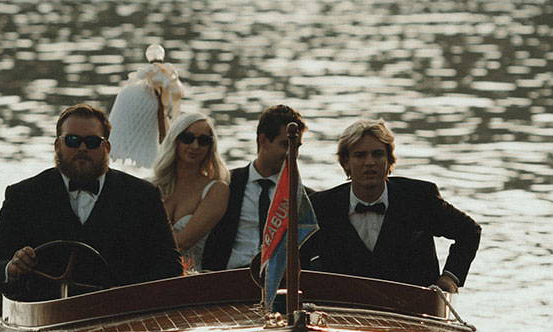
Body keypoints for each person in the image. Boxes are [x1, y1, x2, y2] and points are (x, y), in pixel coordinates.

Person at [0, 102, 182, 298]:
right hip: (42, 318)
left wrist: (130, 296)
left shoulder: (143, 196)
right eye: (72, 141)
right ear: (57, 145)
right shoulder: (23, 195)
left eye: (92, 142)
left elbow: (170, 266)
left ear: (107, 147)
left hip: (121, 315)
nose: (82, 148)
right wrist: (13, 267)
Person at [311, 118, 480, 291]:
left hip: (416, 310)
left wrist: (450, 277)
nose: (369, 162)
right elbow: (297, 255)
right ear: (346, 162)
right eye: (360, 155)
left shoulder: (420, 198)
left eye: (377, 154)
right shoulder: (322, 206)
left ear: (389, 160)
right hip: (341, 310)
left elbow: (469, 231)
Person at [200, 103, 310, 272]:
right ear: (263, 140)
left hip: (279, 283)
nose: (292, 154)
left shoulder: (303, 197)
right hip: (227, 279)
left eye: (297, 147)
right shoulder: (225, 184)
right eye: (285, 145)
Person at [151, 111, 230, 272]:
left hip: (189, 278)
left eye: (203, 141)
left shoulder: (216, 190)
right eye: (188, 138)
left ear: (210, 146)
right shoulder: (152, 185)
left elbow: (184, 242)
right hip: (148, 272)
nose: (195, 146)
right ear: (176, 140)